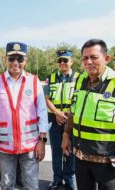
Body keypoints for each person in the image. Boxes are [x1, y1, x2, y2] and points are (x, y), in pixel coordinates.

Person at [0, 42, 49, 190]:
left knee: (31, 185)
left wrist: (42, 141)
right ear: (5, 59)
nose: (15, 62)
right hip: (5, 146)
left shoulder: (34, 82)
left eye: (20, 59)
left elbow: (42, 113)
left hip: (30, 145)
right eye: (12, 58)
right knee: (7, 185)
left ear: (25, 61)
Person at [61, 39, 115, 190]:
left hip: (108, 163)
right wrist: (66, 134)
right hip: (81, 158)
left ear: (106, 58)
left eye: (94, 57)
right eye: (85, 58)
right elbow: (73, 110)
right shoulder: (80, 81)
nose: (89, 62)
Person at [44, 50, 78, 190]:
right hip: (54, 118)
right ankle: (57, 179)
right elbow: (46, 99)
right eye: (60, 61)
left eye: (65, 60)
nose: (62, 63)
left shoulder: (79, 78)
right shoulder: (50, 78)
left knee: (70, 150)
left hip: (72, 119)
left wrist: (67, 116)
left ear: (72, 61)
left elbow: (79, 100)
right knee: (56, 151)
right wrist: (57, 113)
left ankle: (70, 179)